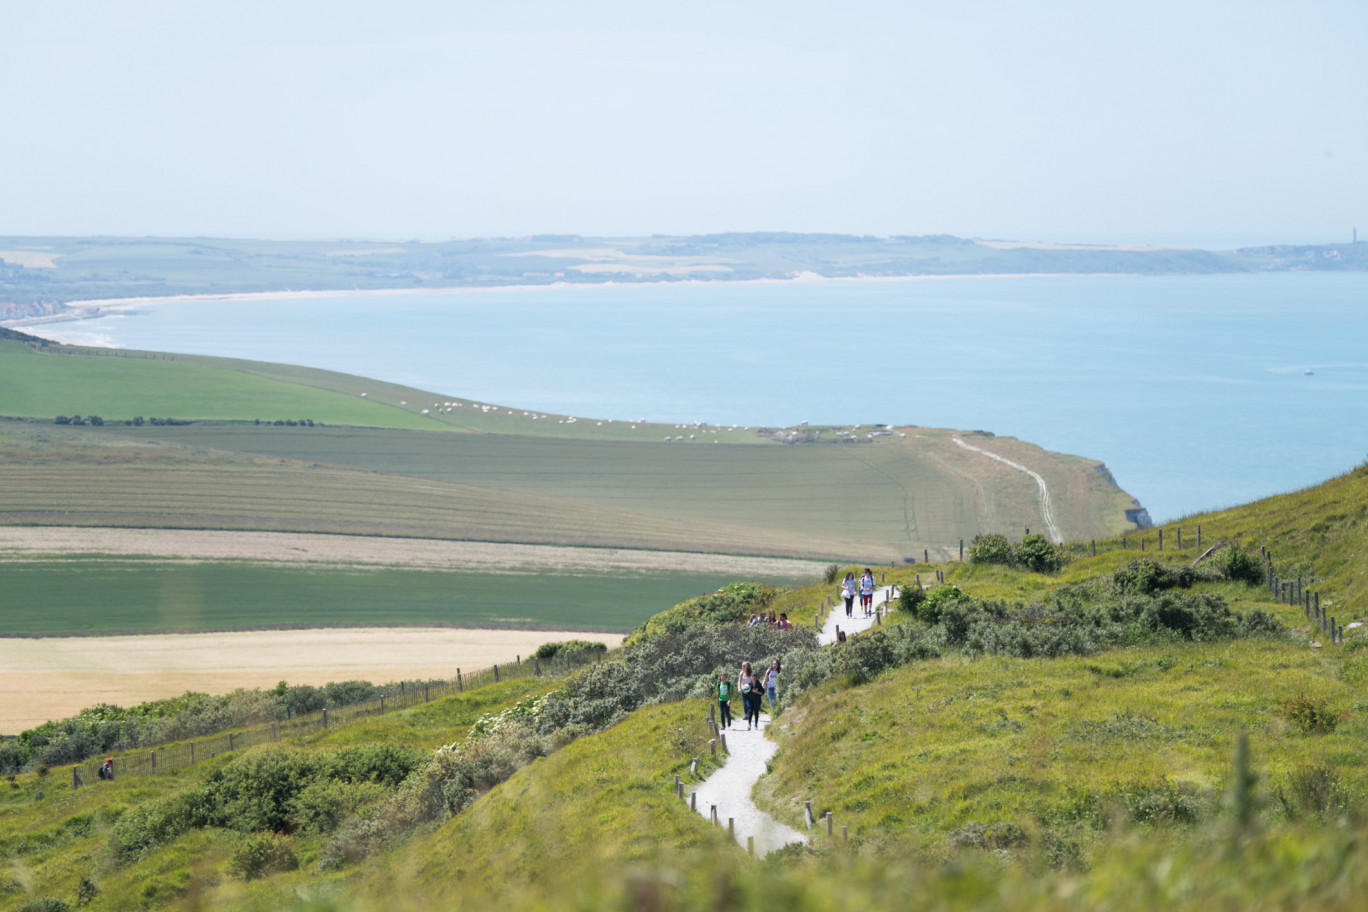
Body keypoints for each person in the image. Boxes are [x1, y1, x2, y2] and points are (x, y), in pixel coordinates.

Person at [737, 661, 760, 730]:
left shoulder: (751, 674)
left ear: (747, 666)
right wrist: (739, 688)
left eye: (743, 666)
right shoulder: (741, 673)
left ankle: (749, 714)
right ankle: (746, 715)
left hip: (750, 691)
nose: (742, 667)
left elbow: (754, 681)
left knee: (748, 703)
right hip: (743, 690)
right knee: (745, 703)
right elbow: (739, 681)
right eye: (742, 666)